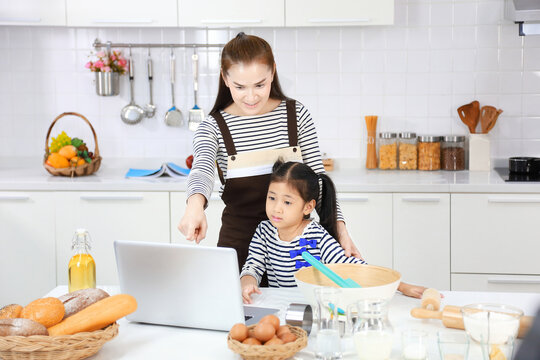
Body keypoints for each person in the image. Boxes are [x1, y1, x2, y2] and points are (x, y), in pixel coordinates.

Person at [178, 32, 360, 276]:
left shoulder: (296, 115)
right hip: (239, 249)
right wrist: (194, 206)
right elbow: (201, 168)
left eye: (260, 85)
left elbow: (318, 178)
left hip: (294, 252)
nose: (251, 97)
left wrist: (340, 230)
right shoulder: (213, 126)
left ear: (273, 72)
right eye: (240, 86)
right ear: (225, 78)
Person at [240, 160, 427, 304]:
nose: (277, 208)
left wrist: (401, 286)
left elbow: (353, 268)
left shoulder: (315, 236)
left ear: (307, 207)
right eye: (272, 198)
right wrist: (247, 282)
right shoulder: (264, 232)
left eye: (287, 202)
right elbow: (252, 267)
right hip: (280, 308)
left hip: (316, 309)